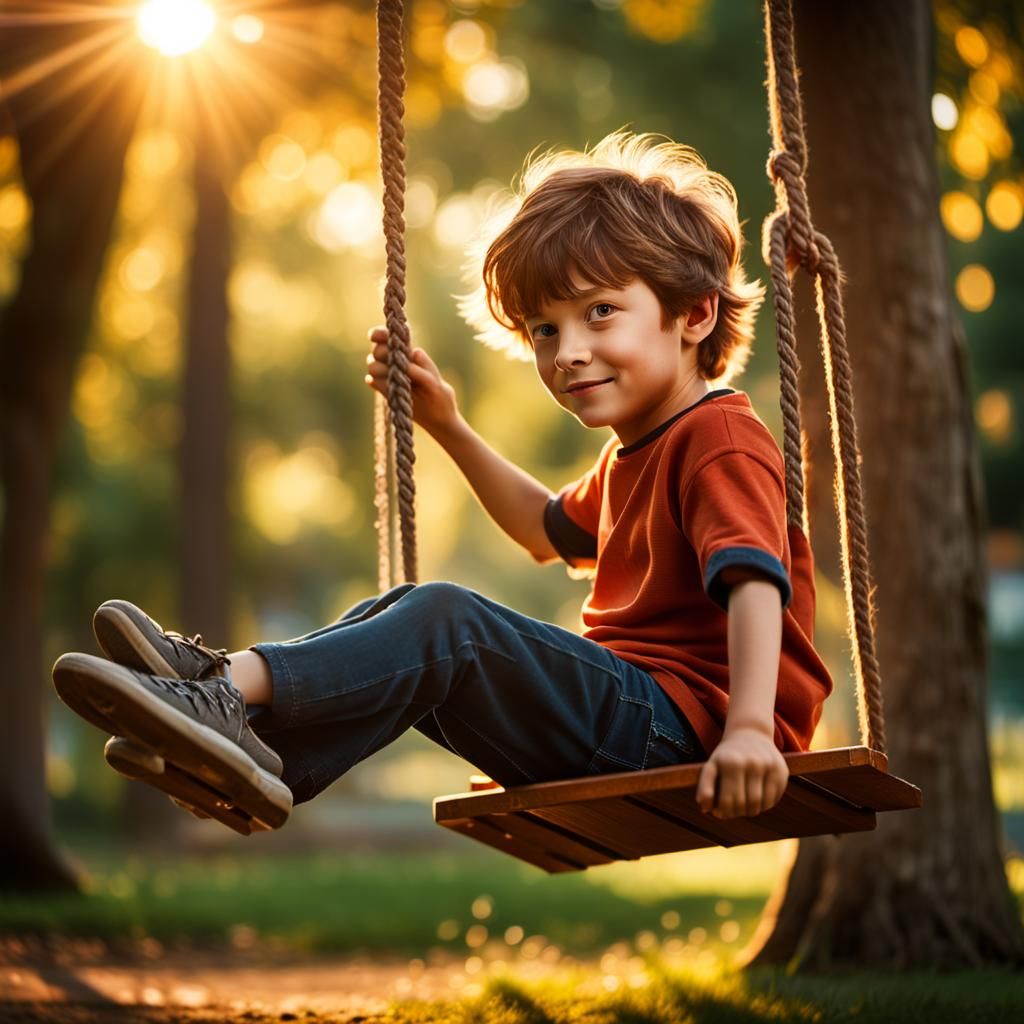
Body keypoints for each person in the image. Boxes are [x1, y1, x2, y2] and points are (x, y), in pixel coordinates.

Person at [52, 131, 833, 833]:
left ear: (694, 315)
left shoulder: (719, 439)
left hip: (686, 728)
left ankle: (224, 687)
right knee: (402, 613)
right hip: (640, 718)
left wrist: (751, 733)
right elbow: (545, 531)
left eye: (601, 312)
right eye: (545, 330)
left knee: (445, 619)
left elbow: (754, 583)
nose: (566, 352)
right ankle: (254, 748)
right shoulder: (635, 453)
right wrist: (450, 427)